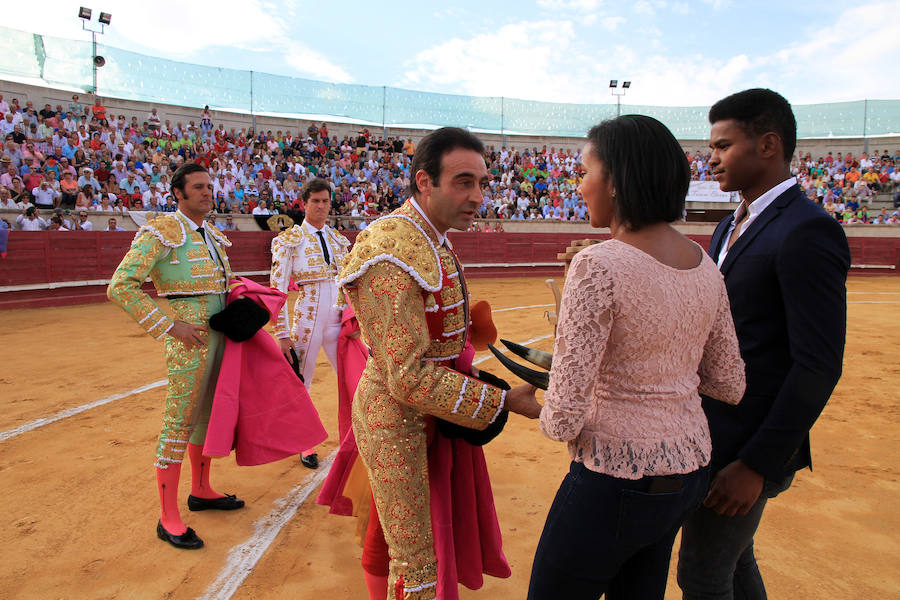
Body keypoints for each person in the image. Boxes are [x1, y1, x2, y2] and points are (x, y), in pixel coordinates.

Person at [524, 115, 746, 600]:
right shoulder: (705, 264)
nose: (580, 186)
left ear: (617, 180)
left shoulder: (597, 264)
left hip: (613, 476)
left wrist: (534, 402)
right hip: (688, 469)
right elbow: (729, 383)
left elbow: (562, 419)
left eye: (585, 172)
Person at [337, 127, 536, 599]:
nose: (477, 196)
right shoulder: (391, 247)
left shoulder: (431, 238)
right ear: (424, 181)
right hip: (397, 418)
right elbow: (405, 376)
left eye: (482, 183)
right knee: (416, 562)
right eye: (463, 182)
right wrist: (504, 400)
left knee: (416, 541)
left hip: (435, 409)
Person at [677, 89, 851, 600]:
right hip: (715, 435)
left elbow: (818, 365)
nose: (711, 157)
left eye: (723, 145)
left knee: (703, 577)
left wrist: (757, 465)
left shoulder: (808, 230)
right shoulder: (730, 224)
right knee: (731, 565)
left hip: (749, 448)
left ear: (768, 144)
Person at [108, 163, 243, 551]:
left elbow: (226, 283)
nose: (207, 192)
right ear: (178, 194)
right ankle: (168, 517)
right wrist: (170, 326)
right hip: (188, 340)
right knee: (179, 421)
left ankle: (201, 489)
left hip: (222, 335)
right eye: (198, 187)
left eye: (209, 186)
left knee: (207, 415)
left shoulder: (213, 235)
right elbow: (121, 286)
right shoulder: (161, 232)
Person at [269, 177, 350, 469]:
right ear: (304, 204)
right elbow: (277, 289)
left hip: (339, 315)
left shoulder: (340, 241)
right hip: (308, 314)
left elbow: (352, 284)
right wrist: (281, 332)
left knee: (353, 375)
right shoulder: (290, 240)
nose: (321, 206)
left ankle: (357, 435)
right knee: (302, 377)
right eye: (315, 201)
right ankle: (305, 443)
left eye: (325, 201)